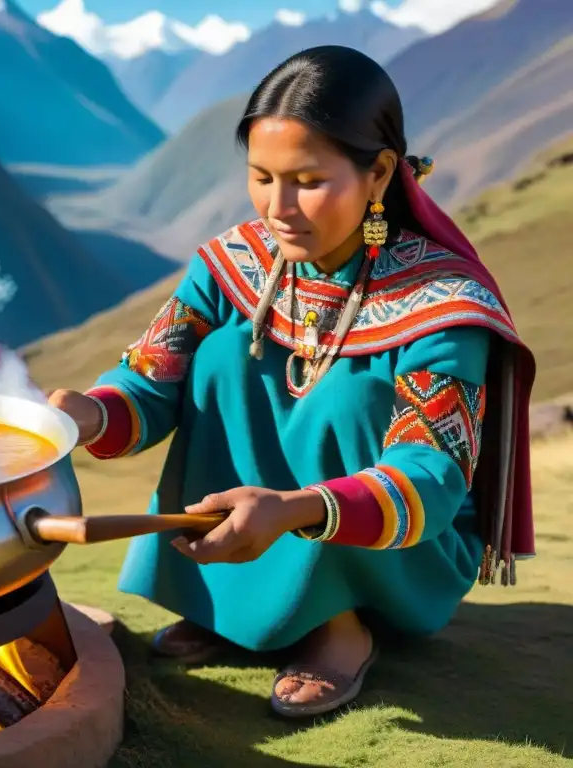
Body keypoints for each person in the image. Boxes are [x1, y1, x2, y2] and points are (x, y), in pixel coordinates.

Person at [47, 45, 536, 718]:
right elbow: (151, 382)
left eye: (307, 181)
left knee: (347, 393)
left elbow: (431, 477)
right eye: (262, 177)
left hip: (403, 547)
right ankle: (230, 605)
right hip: (256, 523)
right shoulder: (232, 265)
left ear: (380, 173)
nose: (279, 208)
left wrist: (293, 508)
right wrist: (89, 415)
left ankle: (339, 627)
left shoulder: (443, 305)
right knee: (221, 356)